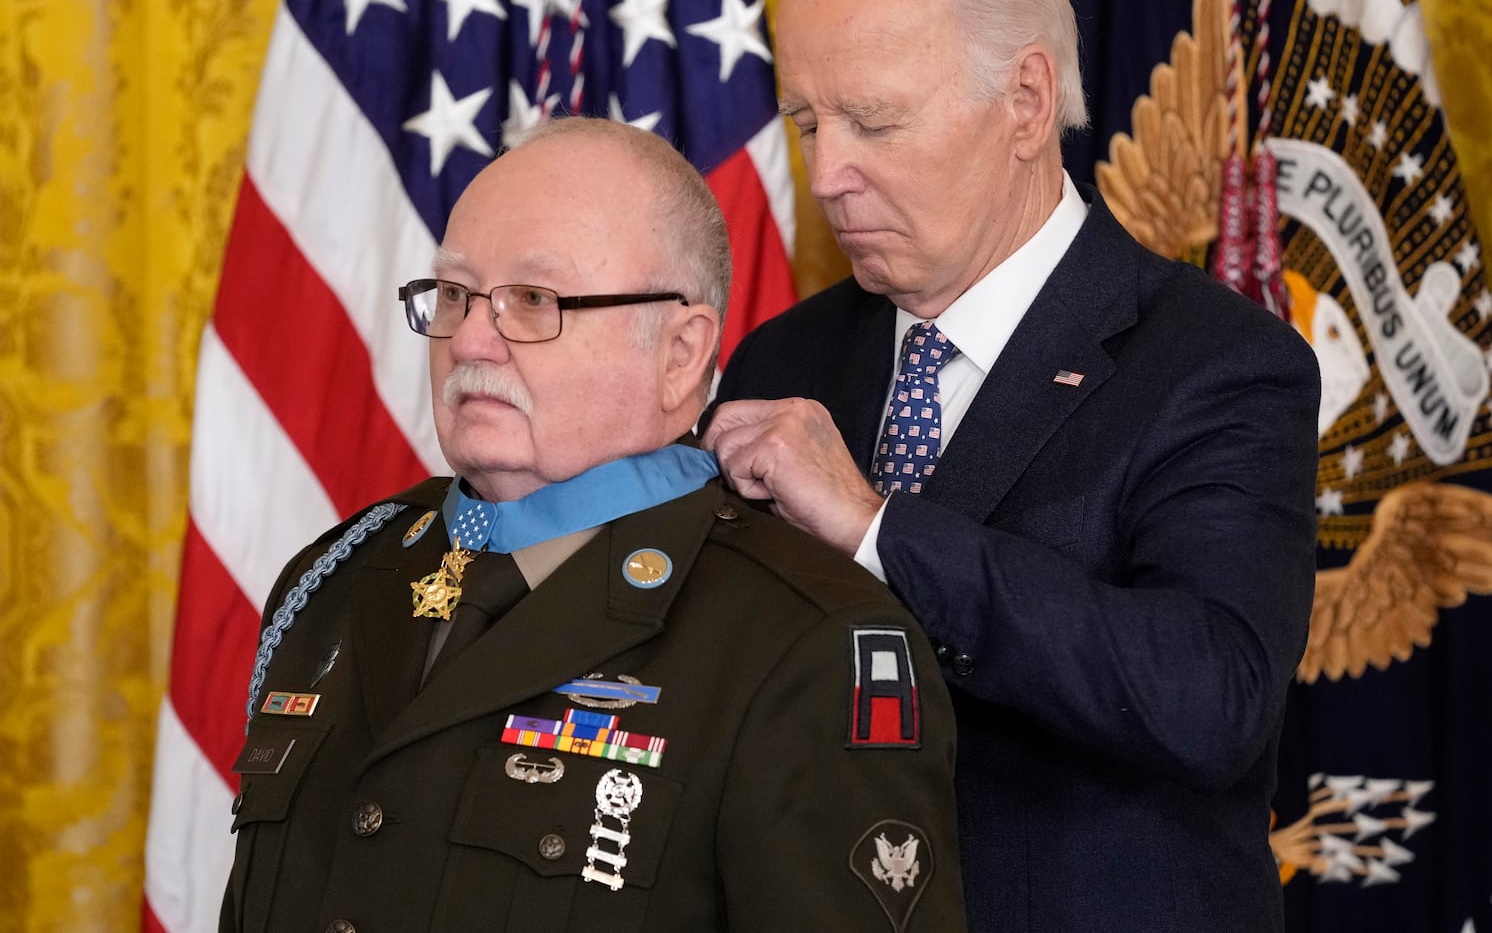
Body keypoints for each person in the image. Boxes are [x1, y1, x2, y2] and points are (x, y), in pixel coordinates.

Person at [703, 0, 1320, 933]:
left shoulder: (1216, 363)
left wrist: (876, 529)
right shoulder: (784, 359)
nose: (827, 175)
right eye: (808, 123)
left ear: (1027, 102)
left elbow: (1210, 693)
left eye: (875, 121)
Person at [220, 116, 965, 933]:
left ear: (680, 354)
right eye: (456, 294)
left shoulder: (805, 642)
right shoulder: (330, 580)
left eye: (534, 300)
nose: (470, 338)